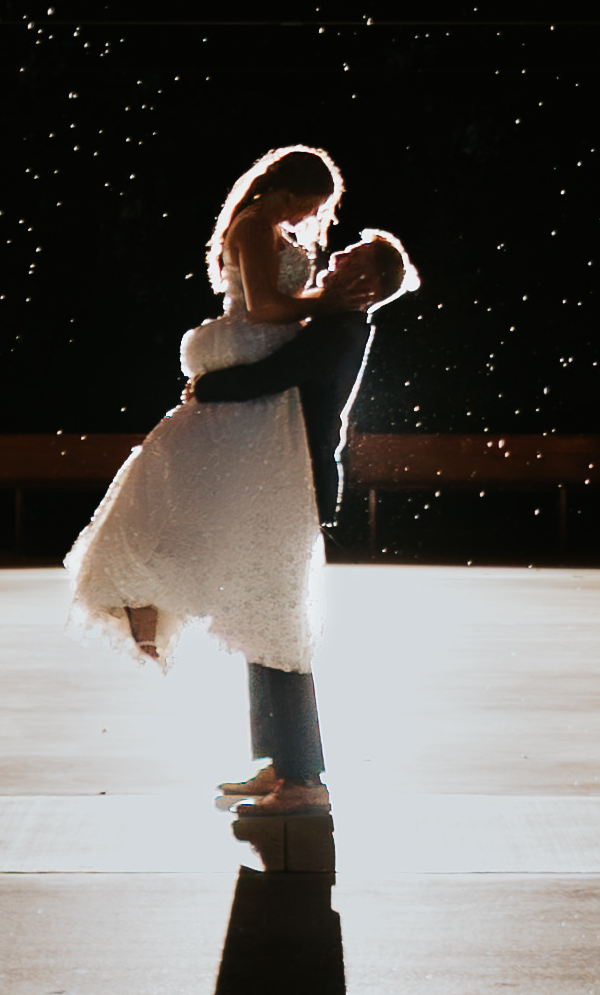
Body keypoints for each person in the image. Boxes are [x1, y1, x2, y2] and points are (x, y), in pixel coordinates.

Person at [61, 147, 345, 692]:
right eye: (315, 203)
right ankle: (154, 592)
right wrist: (327, 302)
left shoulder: (271, 229)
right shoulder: (256, 226)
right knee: (198, 480)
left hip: (269, 362)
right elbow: (263, 307)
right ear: (299, 192)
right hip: (254, 352)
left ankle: (207, 587)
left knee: (230, 489)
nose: (315, 216)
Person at [180, 227, 418, 813]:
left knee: (281, 628)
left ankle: (304, 780)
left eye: (350, 258)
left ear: (365, 284)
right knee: (265, 621)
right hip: (281, 478)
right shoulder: (333, 322)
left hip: (299, 481)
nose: (333, 257)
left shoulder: (340, 328)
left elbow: (273, 375)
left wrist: (207, 384)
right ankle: (278, 765)